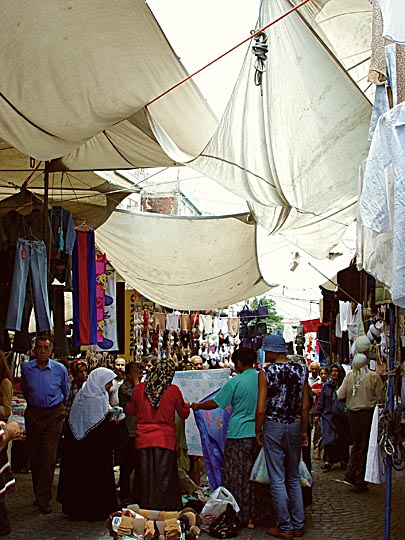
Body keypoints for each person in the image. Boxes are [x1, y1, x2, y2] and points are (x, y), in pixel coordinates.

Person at [192, 347, 267, 527]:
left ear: (239, 363)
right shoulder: (262, 379)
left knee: (236, 476)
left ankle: (239, 514)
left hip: (238, 434)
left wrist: (198, 405)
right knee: (256, 475)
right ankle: (254, 516)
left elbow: (216, 403)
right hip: (259, 434)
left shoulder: (235, 382)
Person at [256, 334, 309, 540]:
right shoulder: (301, 370)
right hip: (295, 424)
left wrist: (258, 430)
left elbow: (261, 408)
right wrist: (304, 429)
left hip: (274, 425)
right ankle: (298, 524)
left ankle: (285, 527)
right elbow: (305, 405)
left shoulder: (266, 373)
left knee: (277, 478)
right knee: (293, 476)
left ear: (272, 351)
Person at [126, 357, 190, 510]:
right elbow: (183, 414)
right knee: (164, 477)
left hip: (143, 439)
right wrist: (186, 406)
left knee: (144, 476)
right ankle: (164, 508)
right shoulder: (173, 390)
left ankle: (145, 507)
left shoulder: (140, 389)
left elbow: (130, 410)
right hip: (165, 440)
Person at [57, 368, 119, 520]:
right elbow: (99, 427)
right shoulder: (95, 399)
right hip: (92, 451)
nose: (110, 385)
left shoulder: (85, 395)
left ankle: (78, 509)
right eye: (108, 382)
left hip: (79, 447)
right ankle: (94, 510)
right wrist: (113, 423)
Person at [21, 336, 70, 514]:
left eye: (45, 348)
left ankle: (44, 498)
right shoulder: (27, 369)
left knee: (49, 456)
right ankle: (38, 493)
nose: (42, 351)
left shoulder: (59, 369)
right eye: (39, 348)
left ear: (50, 351)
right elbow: (26, 391)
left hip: (54, 415)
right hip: (34, 414)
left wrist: (59, 410)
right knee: (35, 456)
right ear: (34, 350)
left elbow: (65, 391)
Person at [337, 362, 383, 493]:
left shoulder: (350, 375)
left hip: (353, 413)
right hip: (367, 413)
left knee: (358, 445)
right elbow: (381, 397)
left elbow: (340, 394)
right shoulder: (373, 376)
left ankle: (351, 473)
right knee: (364, 446)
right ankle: (359, 478)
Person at [314, 364, 349, 470]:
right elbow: (322, 400)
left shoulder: (344, 384)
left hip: (341, 416)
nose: (334, 373)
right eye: (332, 371)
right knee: (329, 439)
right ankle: (328, 460)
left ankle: (343, 460)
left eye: (336, 371)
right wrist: (317, 413)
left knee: (342, 439)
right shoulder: (327, 385)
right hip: (328, 416)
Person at [118, 361, 141, 505]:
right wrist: (136, 380)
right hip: (128, 431)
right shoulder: (124, 388)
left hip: (138, 431)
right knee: (127, 465)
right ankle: (125, 493)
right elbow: (139, 396)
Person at [312, 367, 329, 459]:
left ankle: (319, 448)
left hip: (327, 411)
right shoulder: (316, 385)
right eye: (321, 374)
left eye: (325, 374)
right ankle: (317, 447)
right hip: (318, 410)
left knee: (326, 431)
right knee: (318, 431)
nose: (323, 375)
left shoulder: (330, 385)